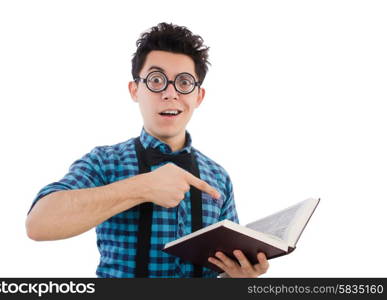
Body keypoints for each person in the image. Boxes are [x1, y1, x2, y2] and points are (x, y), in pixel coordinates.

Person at [26, 22, 269, 278]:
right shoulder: (104, 162)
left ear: (199, 96)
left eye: (184, 82)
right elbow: (38, 224)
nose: (170, 93)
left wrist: (240, 277)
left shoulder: (219, 177)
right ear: (135, 90)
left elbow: (225, 266)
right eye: (156, 80)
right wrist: (142, 187)